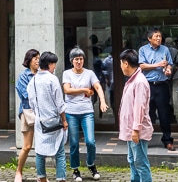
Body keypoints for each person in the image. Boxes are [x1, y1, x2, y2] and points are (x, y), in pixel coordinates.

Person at [62, 47, 107, 182]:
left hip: (87, 111)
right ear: (72, 61)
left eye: (81, 59)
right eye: (76, 59)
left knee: (90, 141)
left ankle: (91, 165)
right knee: (74, 143)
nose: (79, 62)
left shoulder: (89, 73)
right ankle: (75, 169)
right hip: (71, 112)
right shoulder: (67, 73)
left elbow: (98, 86)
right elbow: (67, 90)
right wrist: (84, 90)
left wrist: (102, 101)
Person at [27, 51, 68, 182]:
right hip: (54, 121)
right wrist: (64, 120)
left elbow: (32, 101)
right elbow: (60, 103)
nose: (55, 67)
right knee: (60, 152)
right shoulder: (52, 79)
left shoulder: (33, 80)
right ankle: (60, 178)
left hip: (40, 122)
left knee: (40, 152)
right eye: (54, 64)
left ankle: (42, 179)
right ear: (50, 64)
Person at [138, 28, 175, 151]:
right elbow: (142, 65)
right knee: (147, 114)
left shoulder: (165, 49)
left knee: (164, 113)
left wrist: (168, 69)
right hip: (148, 85)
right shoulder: (143, 50)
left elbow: (169, 63)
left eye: (160, 36)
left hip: (162, 85)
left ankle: (167, 140)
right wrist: (157, 65)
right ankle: (146, 139)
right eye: (156, 37)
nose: (159, 38)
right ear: (149, 39)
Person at [118, 49, 152, 182]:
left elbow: (139, 107)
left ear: (126, 63)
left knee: (140, 163)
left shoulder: (139, 82)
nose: (120, 66)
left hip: (137, 131)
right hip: (132, 130)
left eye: (121, 63)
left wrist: (136, 129)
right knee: (133, 161)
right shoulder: (133, 80)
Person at [14, 49, 39, 182]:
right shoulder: (23, 76)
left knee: (42, 146)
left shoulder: (42, 74)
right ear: (29, 60)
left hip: (42, 113)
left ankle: (41, 174)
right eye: (35, 58)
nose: (37, 61)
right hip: (28, 112)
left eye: (39, 58)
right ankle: (19, 171)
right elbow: (26, 95)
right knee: (27, 146)